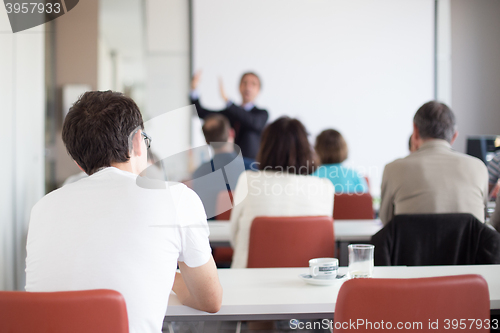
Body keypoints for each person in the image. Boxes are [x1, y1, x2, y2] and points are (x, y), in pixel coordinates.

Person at [25, 91, 222, 333]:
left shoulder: (42, 208)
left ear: (78, 163)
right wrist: (164, 271)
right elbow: (209, 300)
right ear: (139, 141)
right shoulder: (176, 198)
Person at [229, 117, 334, 268]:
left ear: (265, 147)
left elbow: (234, 236)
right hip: (307, 283)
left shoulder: (248, 180)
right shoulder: (324, 187)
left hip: (250, 282)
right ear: (307, 149)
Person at [380, 101, 488, 225]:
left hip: (412, 245)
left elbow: (387, 224)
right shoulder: (479, 168)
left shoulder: (393, 169)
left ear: (415, 131)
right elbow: (482, 225)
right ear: (454, 136)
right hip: (467, 245)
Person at [190, 71, 269, 159]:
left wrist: (228, 101)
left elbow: (252, 122)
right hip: (230, 163)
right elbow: (201, 113)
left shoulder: (262, 114)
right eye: (245, 83)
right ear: (239, 87)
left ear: (258, 90)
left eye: (253, 84)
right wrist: (194, 90)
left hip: (252, 165)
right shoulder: (231, 112)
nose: (248, 87)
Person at [192, 114, 255, 219]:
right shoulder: (252, 169)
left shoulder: (197, 174)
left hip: (209, 233)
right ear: (231, 133)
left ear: (206, 141)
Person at [312, 129, 368, 193]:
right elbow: (366, 200)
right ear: (344, 148)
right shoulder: (355, 176)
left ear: (317, 149)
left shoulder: (312, 176)